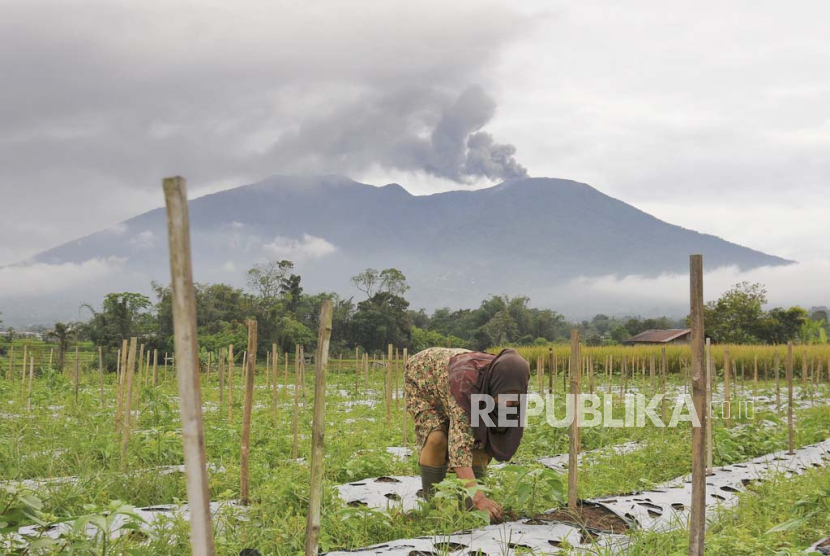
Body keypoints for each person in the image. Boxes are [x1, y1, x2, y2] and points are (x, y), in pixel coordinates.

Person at [404, 347, 530, 522]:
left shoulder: (510, 382)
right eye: (504, 397)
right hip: (425, 379)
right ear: (495, 385)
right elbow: (459, 449)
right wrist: (478, 497)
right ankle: (432, 508)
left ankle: (469, 510)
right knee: (437, 437)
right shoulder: (466, 387)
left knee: (480, 440)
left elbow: (493, 437)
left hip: (456, 382)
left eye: (514, 398)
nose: (508, 403)